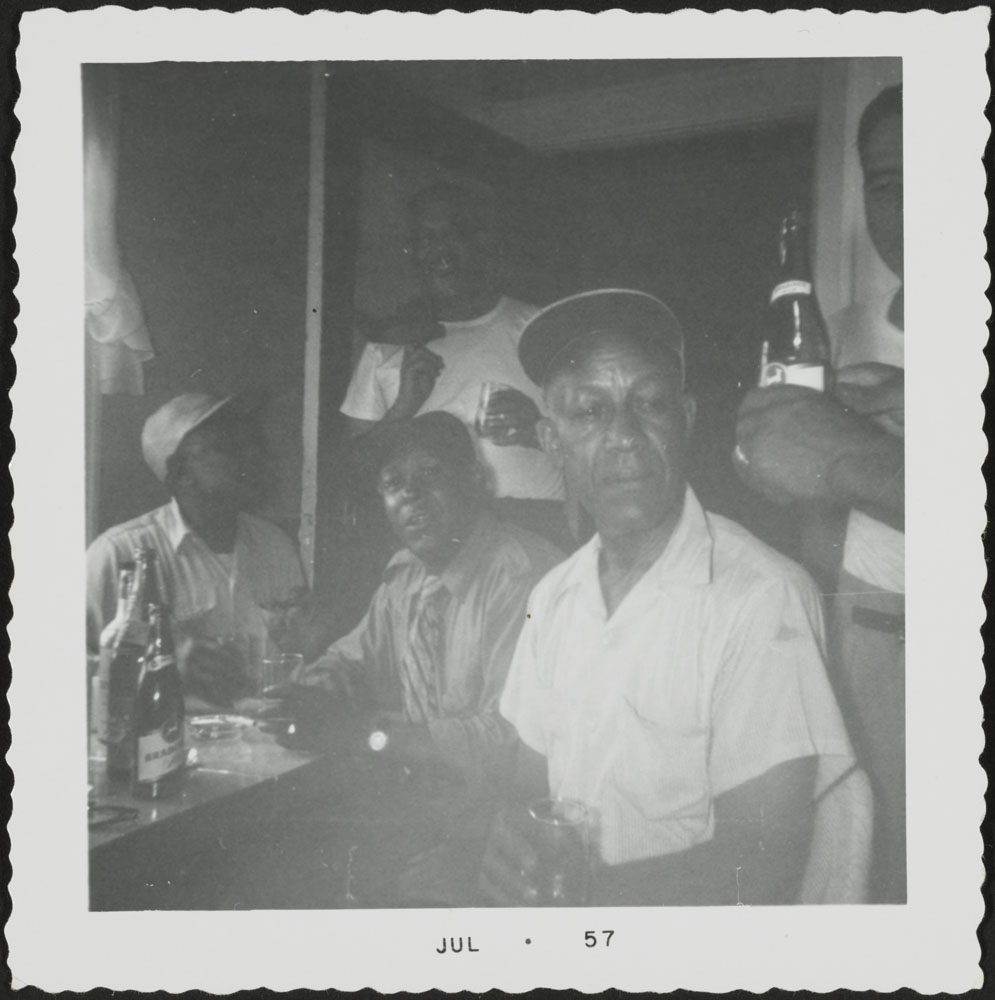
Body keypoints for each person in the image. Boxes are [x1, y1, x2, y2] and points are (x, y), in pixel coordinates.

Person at [480, 289, 856, 907]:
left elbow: (762, 865)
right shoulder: (552, 598)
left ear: (685, 418)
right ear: (550, 441)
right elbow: (528, 786)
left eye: (649, 404)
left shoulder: (761, 597)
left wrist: (584, 902)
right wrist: (508, 847)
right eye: (590, 412)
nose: (624, 436)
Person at [244, 411, 563, 908]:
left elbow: (511, 742)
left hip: (505, 830)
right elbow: (353, 661)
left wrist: (364, 731)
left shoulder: (521, 577)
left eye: (430, 473)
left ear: (476, 481)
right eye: (393, 483)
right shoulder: (408, 575)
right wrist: (303, 696)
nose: (410, 495)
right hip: (421, 808)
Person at [733, 85, 905, 903]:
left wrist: (850, 458)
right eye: (886, 182)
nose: (910, 206)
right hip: (858, 635)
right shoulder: (847, 324)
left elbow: (855, 468)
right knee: (864, 862)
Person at [338, 182, 567, 545]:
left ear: (481, 241)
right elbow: (350, 472)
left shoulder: (539, 329)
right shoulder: (386, 348)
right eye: (425, 238)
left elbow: (592, 441)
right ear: (412, 252)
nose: (440, 248)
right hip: (435, 546)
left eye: (453, 232)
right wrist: (403, 408)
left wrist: (536, 429)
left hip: (537, 535)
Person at [86, 392, 308, 706]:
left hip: (265, 733)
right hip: (169, 735)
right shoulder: (118, 553)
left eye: (246, 444)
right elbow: (61, 669)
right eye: (225, 447)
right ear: (181, 474)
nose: (248, 456)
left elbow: (297, 655)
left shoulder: (275, 545)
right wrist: (161, 664)